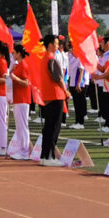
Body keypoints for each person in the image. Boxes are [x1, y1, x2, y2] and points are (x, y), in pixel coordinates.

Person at [39, 34, 68, 166]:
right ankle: (49, 156)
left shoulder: (44, 58)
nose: (57, 46)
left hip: (48, 95)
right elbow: (58, 78)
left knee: (48, 127)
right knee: (54, 127)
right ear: (50, 44)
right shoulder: (52, 59)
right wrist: (66, 90)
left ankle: (45, 155)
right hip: (56, 95)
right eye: (56, 43)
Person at [8, 44, 32, 159]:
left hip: (23, 99)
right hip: (17, 98)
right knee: (19, 126)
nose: (13, 55)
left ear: (18, 53)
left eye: (14, 53)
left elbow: (26, 83)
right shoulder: (18, 66)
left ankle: (24, 151)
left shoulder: (24, 65)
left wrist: (15, 78)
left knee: (22, 126)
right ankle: (20, 149)